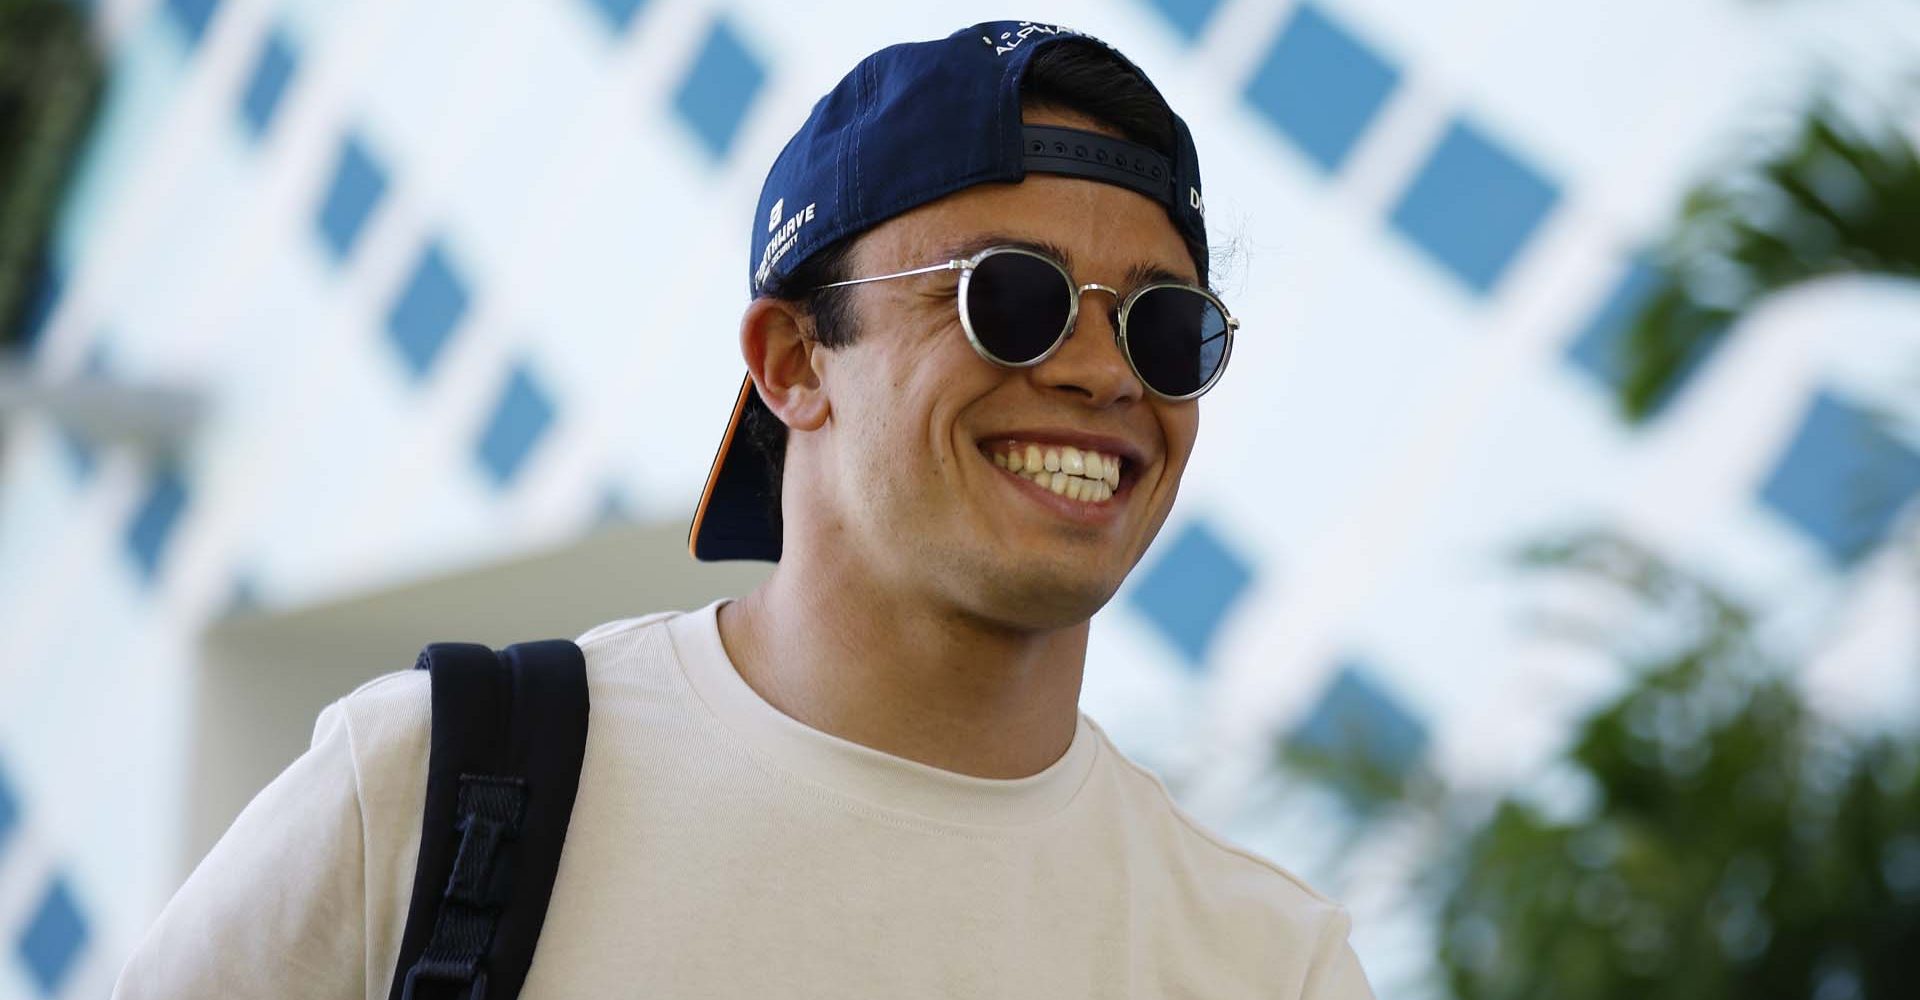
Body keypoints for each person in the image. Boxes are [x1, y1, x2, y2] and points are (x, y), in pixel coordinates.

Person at [115, 20, 1375, 998]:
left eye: (1164, 327)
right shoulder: (433, 783)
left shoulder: (1266, 962)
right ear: (791, 360)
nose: (1105, 374)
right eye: (1013, 297)